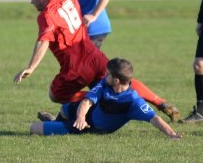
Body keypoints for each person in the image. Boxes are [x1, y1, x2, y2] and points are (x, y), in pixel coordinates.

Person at [13, 0, 180, 122]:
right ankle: (161, 102)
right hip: (94, 55)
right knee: (120, 81)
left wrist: (31, 67)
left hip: (75, 68)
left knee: (55, 94)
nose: (31, 2)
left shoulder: (47, 15)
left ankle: (93, 99)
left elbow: (43, 41)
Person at [30, 58, 181, 139]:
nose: (104, 75)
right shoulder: (105, 83)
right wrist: (81, 116)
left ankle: (57, 126)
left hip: (90, 128)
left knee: (34, 128)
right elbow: (87, 101)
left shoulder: (133, 101)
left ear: (116, 81)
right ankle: (57, 123)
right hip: (86, 115)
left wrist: (172, 135)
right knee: (65, 107)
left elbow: (155, 119)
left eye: (108, 74)